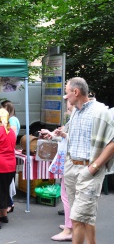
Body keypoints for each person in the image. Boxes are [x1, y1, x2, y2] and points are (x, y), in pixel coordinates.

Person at [61, 77, 114, 244]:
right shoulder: (76, 111)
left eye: (67, 93)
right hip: (72, 169)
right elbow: (77, 138)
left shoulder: (100, 112)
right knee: (85, 218)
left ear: (76, 92)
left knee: (77, 219)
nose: (66, 97)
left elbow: (112, 143)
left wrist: (93, 168)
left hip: (89, 171)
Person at [40, 99, 74, 242]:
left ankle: (69, 229)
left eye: (68, 103)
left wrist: (61, 134)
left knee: (67, 196)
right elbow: (65, 139)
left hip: (70, 162)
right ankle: (70, 225)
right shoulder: (73, 119)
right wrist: (55, 135)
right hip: (70, 162)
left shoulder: (75, 119)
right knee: (68, 196)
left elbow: (72, 140)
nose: (66, 105)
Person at [1, 100, 20, 213]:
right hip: (10, 151)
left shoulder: (12, 120)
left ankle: (10, 203)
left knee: (7, 181)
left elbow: (11, 135)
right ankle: (9, 202)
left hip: (9, 151)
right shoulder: (13, 119)